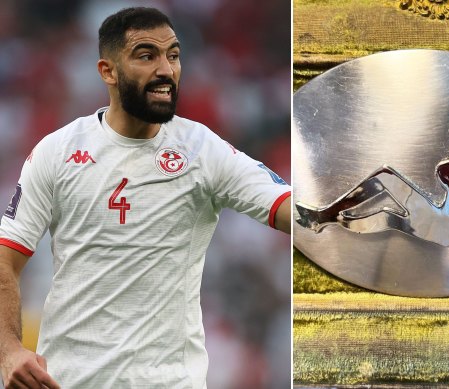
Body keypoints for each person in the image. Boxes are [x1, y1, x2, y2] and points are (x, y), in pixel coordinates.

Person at [0, 7, 290, 388]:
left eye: (173, 55)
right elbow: (6, 260)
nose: (166, 70)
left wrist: (346, 214)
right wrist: (9, 350)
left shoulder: (202, 150)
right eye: (146, 56)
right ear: (108, 71)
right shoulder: (57, 152)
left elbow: (295, 211)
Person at [296, 98, 449, 256]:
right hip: (438, 216)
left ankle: (323, 217)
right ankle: (324, 220)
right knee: (386, 216)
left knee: (386, 180)